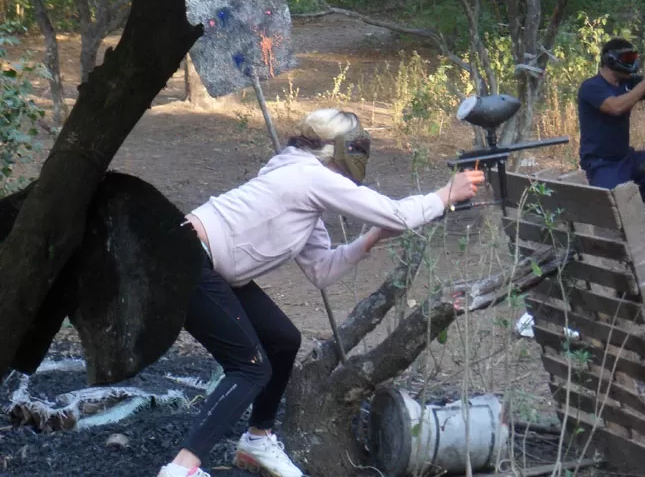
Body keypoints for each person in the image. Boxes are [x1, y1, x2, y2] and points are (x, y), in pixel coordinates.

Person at [157, 108, 485, 477]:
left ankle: (257, 440)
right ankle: (182, 468)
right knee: (250, 368)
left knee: (283, 340)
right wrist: (446, 194)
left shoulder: (303, 186)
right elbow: (397, 214)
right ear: (340, 152)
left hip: (209, 266)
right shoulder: (308, 176)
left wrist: (371, 238)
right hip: (186, 261)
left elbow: (321, 271)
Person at [577, 37, 645, 203]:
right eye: (628, 59)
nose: (632, 63)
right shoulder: (591, 86)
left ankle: (636, 205)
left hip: (626, 158)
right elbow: (616, 107)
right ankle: (624, 207)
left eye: (633, 59)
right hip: (601, 164)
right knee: (611, 205)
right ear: (610, 60)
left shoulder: (627, 83)